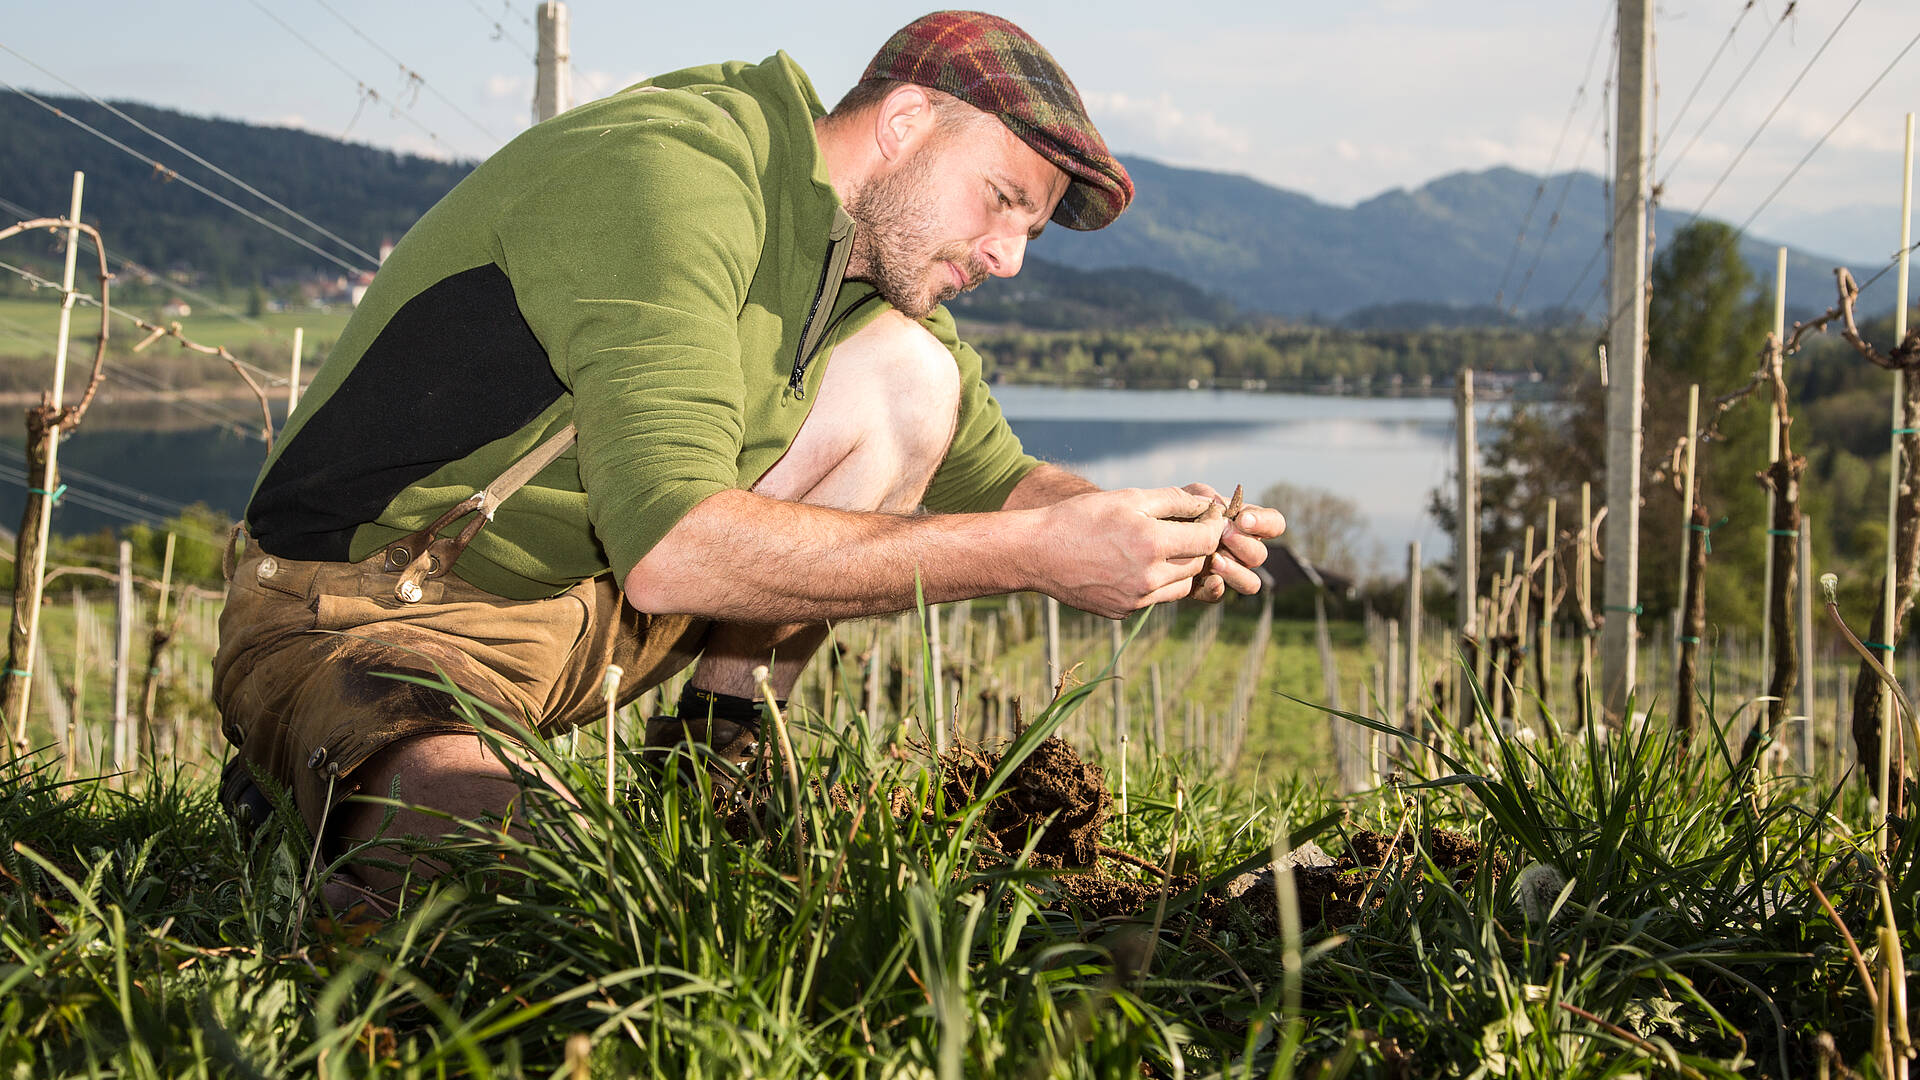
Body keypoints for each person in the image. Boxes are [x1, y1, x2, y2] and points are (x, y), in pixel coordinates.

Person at [214, 10, 1283, 898]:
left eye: (1032, 234)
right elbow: (674, 552)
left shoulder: (860, 249)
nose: (1006, 257)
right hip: (372, 614)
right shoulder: (672, 178)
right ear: (908, 121)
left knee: (916, 380)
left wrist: (1144, 528)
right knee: (543, 892)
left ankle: (712, 783)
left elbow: (1003, 482)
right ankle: (341, 775)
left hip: (577, 624)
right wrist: (1039, 557)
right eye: (1004, 200)